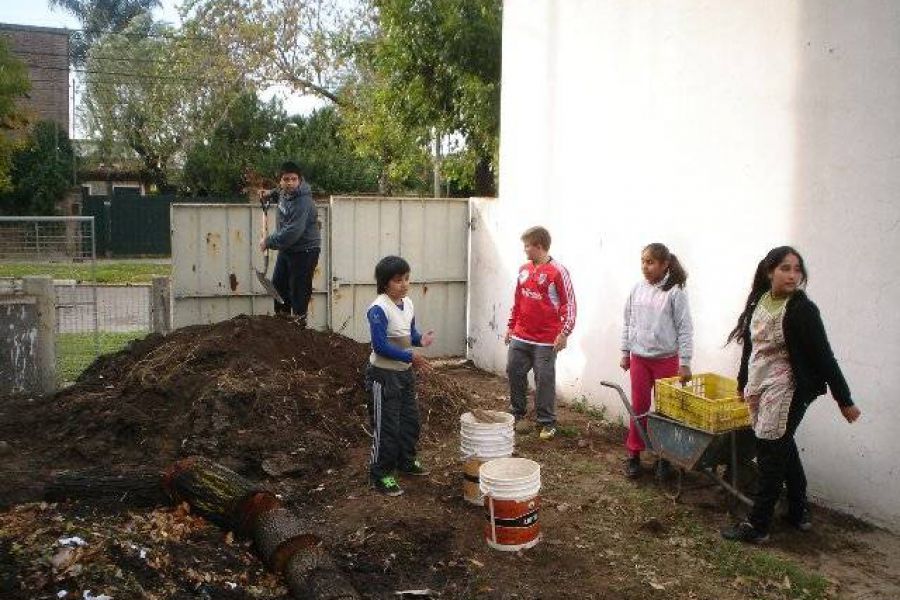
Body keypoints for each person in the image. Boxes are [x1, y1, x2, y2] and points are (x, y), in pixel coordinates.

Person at [721, 246, 861, 543]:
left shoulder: (802, 310)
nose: (793, 275)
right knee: (781, 443)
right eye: (786, 268)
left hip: (790, 389)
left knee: (770, 453)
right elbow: (751, 348)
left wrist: (844, 400)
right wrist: (741, 381)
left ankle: (757, 526)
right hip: (760, 384)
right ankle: (799, 511)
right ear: (769, 271)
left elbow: (825, 357)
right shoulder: (759, 302)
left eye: (797, 269)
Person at [620, 243, 693, 479]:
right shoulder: (637, 289)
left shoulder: (675, 292)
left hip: (666, 360)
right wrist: (625, 351)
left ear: (665, 265)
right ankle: (634, 455)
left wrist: (685, 362)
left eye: (650, 262)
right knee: (639, 407)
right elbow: (628, 322)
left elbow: (685, 329)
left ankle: (665, 458)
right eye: (643, 261)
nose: (645, 266)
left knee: (666, 410)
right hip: (639, 358)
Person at [365, 255, 435, 496]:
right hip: (383, 376)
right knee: (386, 427)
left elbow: (409, 332)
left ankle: (406, 462)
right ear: (385, 283)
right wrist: (411, 358)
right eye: (397, 280)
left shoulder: (408, 303)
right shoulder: (378, 309)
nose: (404, 284)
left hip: (404, 375)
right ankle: (381, 474)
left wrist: (420, 340)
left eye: (406, 279)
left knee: (409, 421)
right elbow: (380, 345)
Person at [505, 226, 576, 441]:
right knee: (514, 372)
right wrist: (510, 326)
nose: (525, 250)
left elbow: (569, 305)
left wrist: (564, 333)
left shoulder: (558, 271)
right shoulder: (523, 269)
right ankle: (517, 413)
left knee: (544, 379)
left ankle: (547, 422)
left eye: (527, 246)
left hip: (546, 339)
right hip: (520, 335)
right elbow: (518, 300)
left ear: (539, 246)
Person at [258, 161, 321, 327]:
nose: (290, 183)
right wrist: (268, 194)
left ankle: (299, 326)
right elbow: (278, 192)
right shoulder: (283, 192)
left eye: (294, 179)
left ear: (300, 180)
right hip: (288, 249)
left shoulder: (303, 202)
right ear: (280, 181)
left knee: (298, 290)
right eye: (286, 179)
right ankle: (282, 325)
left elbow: (293, 232)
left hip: (305, 250)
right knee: (278, 286)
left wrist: (268, 241)